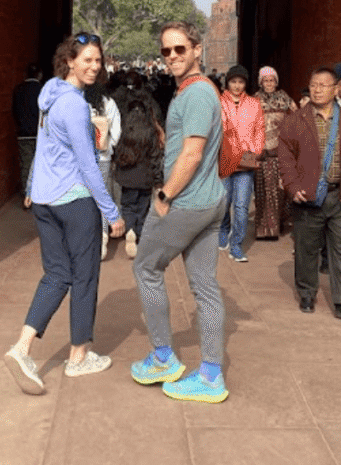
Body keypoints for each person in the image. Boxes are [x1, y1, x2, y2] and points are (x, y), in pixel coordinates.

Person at [3, 33, 125, 396]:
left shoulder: (50, 96)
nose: (94, 66)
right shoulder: (72, 104)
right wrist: (111, 212)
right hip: (75, 201)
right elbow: (89, 165)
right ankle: (78, 357)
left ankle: (22, 348)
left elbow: (43, 148)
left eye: (98, 60)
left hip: (46, 200)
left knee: (57, 274)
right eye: (86, 59)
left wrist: (30, 188)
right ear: (69, 61)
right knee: (84, 277)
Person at [131, 21, 229, 403]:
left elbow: (192, 152)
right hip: (210, 199)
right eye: (166, 51)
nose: (172, 56)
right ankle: (210, 376)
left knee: (146, 268)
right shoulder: (194, 91)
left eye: (179, 49)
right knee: (205, 288)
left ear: (197, 49)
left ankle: (162, 358)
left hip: (185, 202)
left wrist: (165, 194)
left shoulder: (198, 94)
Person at [278, 66, 341, 317]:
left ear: (336, 89)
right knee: (306, 248)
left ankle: (339, 300)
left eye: (323, 85)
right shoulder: (296, 120)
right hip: (308, 196)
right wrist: (293, 186)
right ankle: (306, 293)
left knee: (339, 248)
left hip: (338, 196)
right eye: (313, 84)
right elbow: (285, 158)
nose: (317, 90)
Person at [217, 65, 265, 262]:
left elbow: (259, 130)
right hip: (224, 161)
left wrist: (254, 151)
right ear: (227, 82)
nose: (237, 86)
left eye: (241, 82)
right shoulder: (218, 103)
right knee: (223, 202)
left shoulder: (254, 104)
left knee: (242, 206)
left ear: (246, 83)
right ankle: (223, 229)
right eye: (233, 81)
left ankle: (236, 244)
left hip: (245, 162)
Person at [113, 90, 165, 259]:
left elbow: (118, 152)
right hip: (145, 178)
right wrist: (158, 181)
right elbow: (156, 158)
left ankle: (129, 231)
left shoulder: (125, 129)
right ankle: (140, 234)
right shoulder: (150, 131)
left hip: (127, 178)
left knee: (127, 206)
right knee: (143, 207)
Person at [253, 66, 297, 241]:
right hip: (261, 153)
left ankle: (276, 225)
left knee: (279, 192)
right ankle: (264, 230)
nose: (269, 83)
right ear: (261, 82)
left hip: (280, 151)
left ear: (276, 82)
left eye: (272, 80)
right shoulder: (255, 99)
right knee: (262, 191)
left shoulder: (284, 98)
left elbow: (298, 116)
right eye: (265, 80)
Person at [84, 82, 121, 258]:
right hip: (103, 158)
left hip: (82, 160)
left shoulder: (79, 102)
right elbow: (117, 132)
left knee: (84, 197)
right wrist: (108, 147)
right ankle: (103, 237)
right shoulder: (109, 103)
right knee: (103, 197)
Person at [12, 63, 44, 201]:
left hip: (23, 133)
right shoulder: (42, 90)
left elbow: (14, 111)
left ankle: (27, 193)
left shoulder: (18, 90)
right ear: (39, 75)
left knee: (26, 164)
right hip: (40, 134)